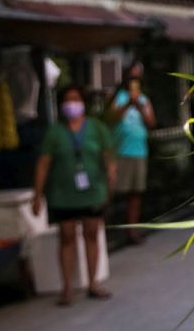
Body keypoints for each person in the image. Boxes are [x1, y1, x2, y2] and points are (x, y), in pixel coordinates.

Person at [33, 85, 116, 306]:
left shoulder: (96, 128)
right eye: (68, 100)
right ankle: (67, 287)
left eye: (76, 99)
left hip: (92, 191)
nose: (72, 104)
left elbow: (109, 157)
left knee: (91, 233)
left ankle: (93, 283)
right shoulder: (55, 132)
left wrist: (110, 182)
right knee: (67, 237)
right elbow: (43, 163)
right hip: (62, 194)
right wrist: (37, 194)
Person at [106, 62, 156, 245]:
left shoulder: (143, 99)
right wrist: (128, 103)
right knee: (111, 191)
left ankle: (131, 230)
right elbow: (110, 118)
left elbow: (151, 122)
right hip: (119, 151)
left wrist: (139, 105)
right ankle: (102, 228)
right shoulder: (117, 98)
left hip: (139, 151)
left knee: (135, 193)